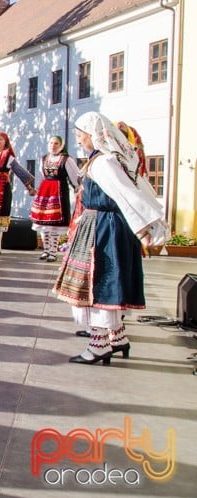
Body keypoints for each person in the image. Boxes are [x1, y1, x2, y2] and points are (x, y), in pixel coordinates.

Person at [53, 111, 167, 365]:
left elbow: (129, 195)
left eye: (82, 134)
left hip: (102, 228)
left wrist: (147, 226)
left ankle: (98, 345)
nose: (79, 139)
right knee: (109, 280)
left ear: (94, 135)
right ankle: (117, 338)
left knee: (98, 284)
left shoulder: (103, 163)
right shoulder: (111, 159)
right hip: (105, 225)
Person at [30, 135, 81, 262]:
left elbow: (75, 177)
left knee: (53, 223)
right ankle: (46, 249)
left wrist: (78, 188)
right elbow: (41, 175)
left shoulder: (66, 159)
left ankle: (53, 251)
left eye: (56, 143)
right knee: (43, 222)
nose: (53, 145)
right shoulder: (44, 158)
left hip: (59, 191)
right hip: (45, 190)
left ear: (61, 145)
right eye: (51, 143)